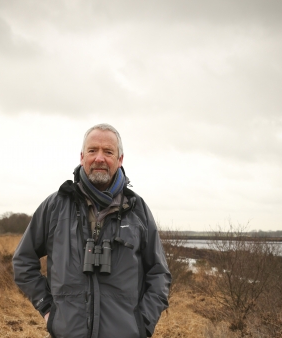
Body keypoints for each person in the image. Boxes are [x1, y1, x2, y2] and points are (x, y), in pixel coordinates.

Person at [13, 123, 171, 338]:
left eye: (108, 152)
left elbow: (159, 273)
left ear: (120, 159)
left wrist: (142, 323)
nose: (99, 158)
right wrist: (49, 310)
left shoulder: (137, 210)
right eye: (92, 150)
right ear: (82, 156)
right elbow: (23, 260)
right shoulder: (56, 206)